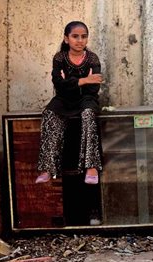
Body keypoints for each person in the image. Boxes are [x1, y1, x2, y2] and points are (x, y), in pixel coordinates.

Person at [35, 21, 103, 185]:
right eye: (75, 36)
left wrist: (72, 83)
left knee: (88, 114)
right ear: (66, 39)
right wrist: (84, 80)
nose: (80, 40)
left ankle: (91, 167)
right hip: (63, 100)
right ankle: (48, 168)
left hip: (86, 100)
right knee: (50, 114)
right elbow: (58, 84)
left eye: (84, 37)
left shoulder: (93, 58)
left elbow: (93, 89)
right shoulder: (59, 58)